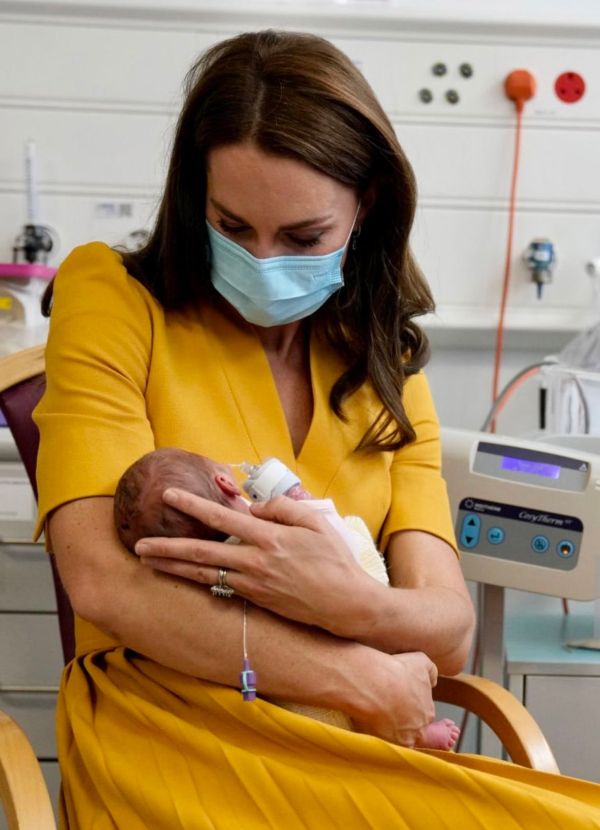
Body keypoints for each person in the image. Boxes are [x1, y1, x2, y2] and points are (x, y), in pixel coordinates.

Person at [33, 28, 600, 830]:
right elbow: (102, 580)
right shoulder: (115, 298)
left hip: (350, 741)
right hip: (171, 727)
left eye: (303, 239)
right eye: (231, 227)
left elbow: (447, 630)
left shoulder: (386, 365)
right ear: (195, 195)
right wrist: (359, 676)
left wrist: (336, 599)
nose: (263, 261)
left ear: (366, 207)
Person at [113, 446, 461, 750]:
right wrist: (306, 504)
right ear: (226, 483)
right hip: (361, 667)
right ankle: (413, 736)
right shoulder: (279, 524)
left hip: (278, 714)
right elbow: (341, 546)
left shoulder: (195, 580)